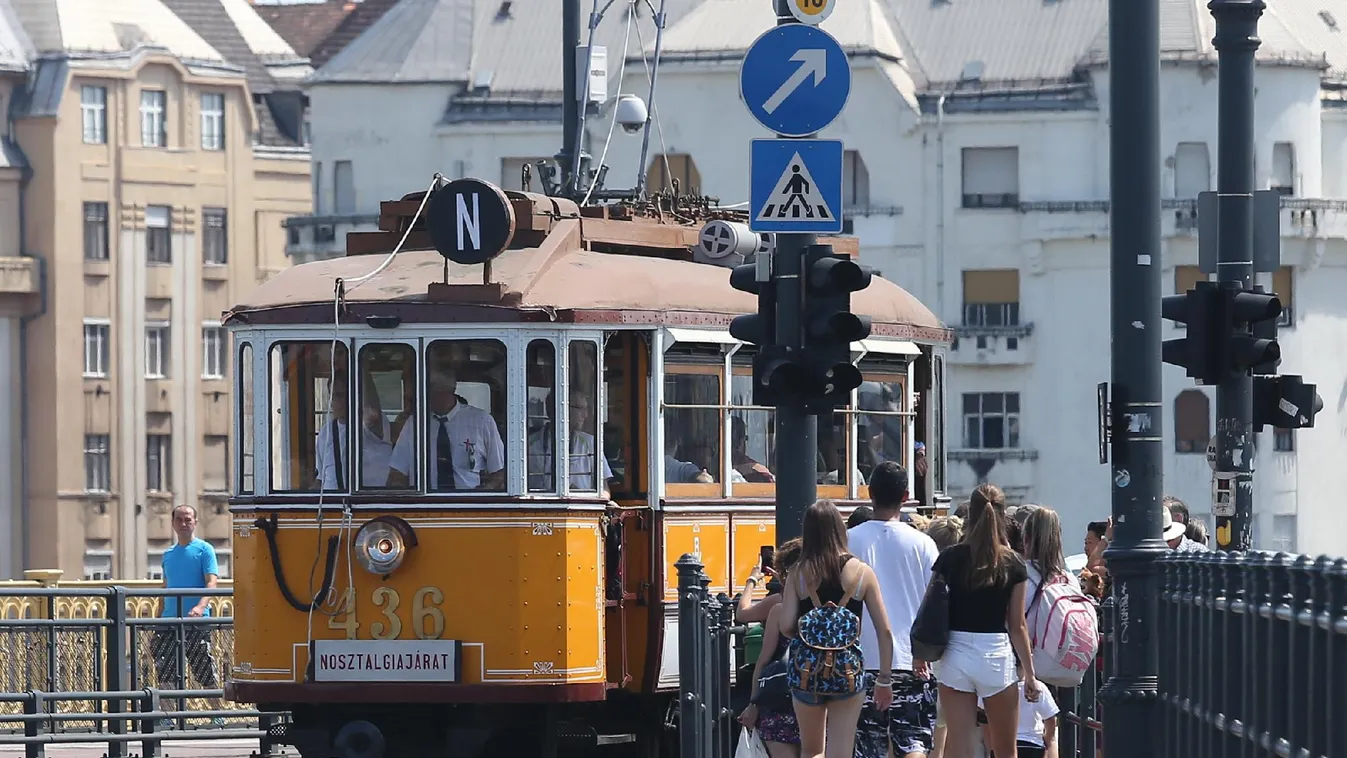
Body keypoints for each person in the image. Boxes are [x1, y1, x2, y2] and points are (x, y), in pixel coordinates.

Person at [924, 484, 1040, 758]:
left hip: (955, 653)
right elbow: (1017, 625)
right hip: (995, 656)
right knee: (1004, 750)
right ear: (1002, 515)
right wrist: (1031, 674)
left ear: (970, 515)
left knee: (959, 749)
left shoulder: (950, 557)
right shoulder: (1012, 563)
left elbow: (931, 606)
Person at [779, 500, 893, 758]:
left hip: (806, 673)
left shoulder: (798, 572)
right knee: (840, 752)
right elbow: (884, 630)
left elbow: (786, 625)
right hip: (847, 672)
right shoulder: (862, 573)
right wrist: (884, 677)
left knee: (811, 750)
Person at [847, 462, 940, 758]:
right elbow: (934, 602)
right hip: (912, 658)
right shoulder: (924, 544)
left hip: (860, 659)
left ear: (870, 493)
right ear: (906, 496)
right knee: (912, 739)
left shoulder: (850, 541)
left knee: (866, 744)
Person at [154, 505, 224, 726]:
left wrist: (201, 607)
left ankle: (218, 715)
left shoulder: (205, 549)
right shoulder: (168, 555)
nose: (184, 524)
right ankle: (167, 717)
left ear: (195, 522)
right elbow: (165, 589)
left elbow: (211, 582)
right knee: (165, 669)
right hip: (169, 619)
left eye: (188, 519)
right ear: (173, 523)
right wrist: (156, 621)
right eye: (180, 520)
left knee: (203, 667)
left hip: (196, 620)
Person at [739, 540, 806, 758]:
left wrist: (753, 703)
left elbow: (763, 661)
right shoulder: (825, 606)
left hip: (780, 701)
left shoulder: (779, 607)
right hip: (814, 697)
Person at [390, 365, 504, 491]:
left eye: (425, 387)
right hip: (426, 504)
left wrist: (482, 492)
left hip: (469, 503)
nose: (413, 394)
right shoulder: (414, 424)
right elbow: (397, 473)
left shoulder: (481, 421)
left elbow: (499, 473)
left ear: (444, 389)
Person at [979, 662, 1059, 758]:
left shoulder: (993, 687)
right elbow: (1051, 721)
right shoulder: (1038, 687)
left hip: (1002, 746)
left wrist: (991, 747)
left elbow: (984, 718)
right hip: (1033, 745)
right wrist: (1049, 741)